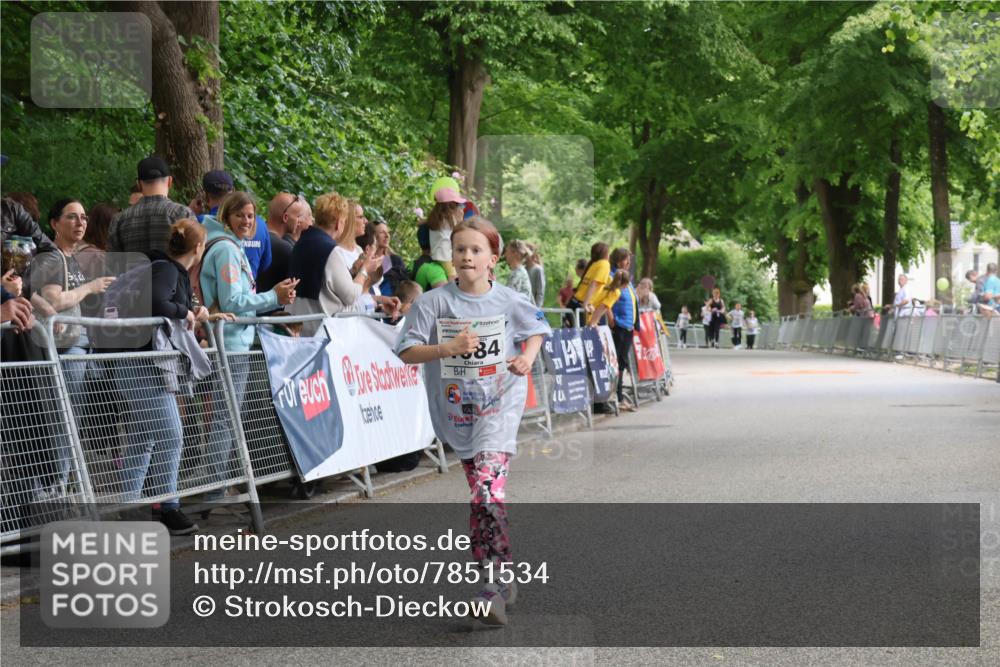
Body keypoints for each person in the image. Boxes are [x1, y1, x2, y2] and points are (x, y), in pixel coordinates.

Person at [396, 216, 550, 626]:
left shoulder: (509, 300)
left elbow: (537, 328)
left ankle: (493, 588)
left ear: (492, 259)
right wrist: (448, 348)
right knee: (480, 496)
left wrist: (526, 358)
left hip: (499, 406)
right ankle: (503, 572)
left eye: (476, 250)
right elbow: (406, 351)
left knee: (486, 489)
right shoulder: (434, 303)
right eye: (460, 248)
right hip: (456, 411)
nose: (467, 255)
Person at [113, 219, 228, 535]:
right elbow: (158, 303)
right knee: (171, 434)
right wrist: (187, 313)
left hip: (134, 361)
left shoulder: (164, 269)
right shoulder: (167, 270)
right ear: (199, 248)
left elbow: (166, 302)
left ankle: (130, 508)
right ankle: (168, 507)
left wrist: (197, 311)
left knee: (143, 437)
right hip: (139, 364)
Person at [199, 192, 298, 505]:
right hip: (230, 345)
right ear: (227, 217)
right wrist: (273, 297)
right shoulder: (227, 251)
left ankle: (216, 484)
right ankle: (214, 488)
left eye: (251, 216)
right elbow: (232, 304)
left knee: (226, 417)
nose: (246, 221)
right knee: (225, 419)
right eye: (240, 215)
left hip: (234, 341)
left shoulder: (232, 247)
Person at [28, 199, 116, 494]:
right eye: (72, 217)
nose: (81, 223)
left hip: (76, 345)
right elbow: (53, 299)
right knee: (63, 419)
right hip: (63, 348)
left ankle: (58, 486)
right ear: (54, 224)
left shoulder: (67, 257)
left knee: (67, 418)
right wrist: (90, 288)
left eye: (84, 218)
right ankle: (54, 488)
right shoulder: (51, 257)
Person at [287, 192, 378, 336]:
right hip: (323, 331)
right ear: (338, 223)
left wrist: (354, 272)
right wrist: (364, 270)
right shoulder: (329, 250)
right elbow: (350, 295)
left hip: (301, 326)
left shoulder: (301, 242)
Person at [108, 156, 193, 255]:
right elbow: (195, 256)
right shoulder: (183, 214)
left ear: (139, 184)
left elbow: (113, 263)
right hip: (172, 270)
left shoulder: (119, 220)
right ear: (170, 181)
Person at [197, 170, 272, 280]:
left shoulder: (201, 222)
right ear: (233, 192)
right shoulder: (258, 223)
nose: (245, 221)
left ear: (206, 196)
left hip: (211, 293)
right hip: (248, 293)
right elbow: (265, 264)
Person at [589, 248, 639, 412]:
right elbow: (606, 300)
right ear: (618, 260)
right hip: (618, 326)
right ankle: (611, 398)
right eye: (626, 259)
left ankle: (617, 396)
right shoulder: (613, 278)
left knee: (621, 363)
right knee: (614, 363)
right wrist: (610, 321)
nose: (629, 263)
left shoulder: (625, 278)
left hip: (627, 326)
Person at [258, 192, 310, 294]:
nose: (299, 221)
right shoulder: (284, 249)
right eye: (298, 216)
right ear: (285, 217)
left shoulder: (254, 238)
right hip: (271, 308)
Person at [426, 188, 465, 280]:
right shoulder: (451, 219)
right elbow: (461, 232)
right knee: (453, 277)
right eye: (456, 203)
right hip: (445, 256)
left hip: (437, 254)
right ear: (450, 204)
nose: (458, 206)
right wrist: (461, 219)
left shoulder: (436, 218)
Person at [374, 220, 410, 297]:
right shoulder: (367, 259)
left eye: (388, 232)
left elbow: (405, 287)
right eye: (382, 232)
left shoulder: (396, 260)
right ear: (373, 236)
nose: (387, 235)